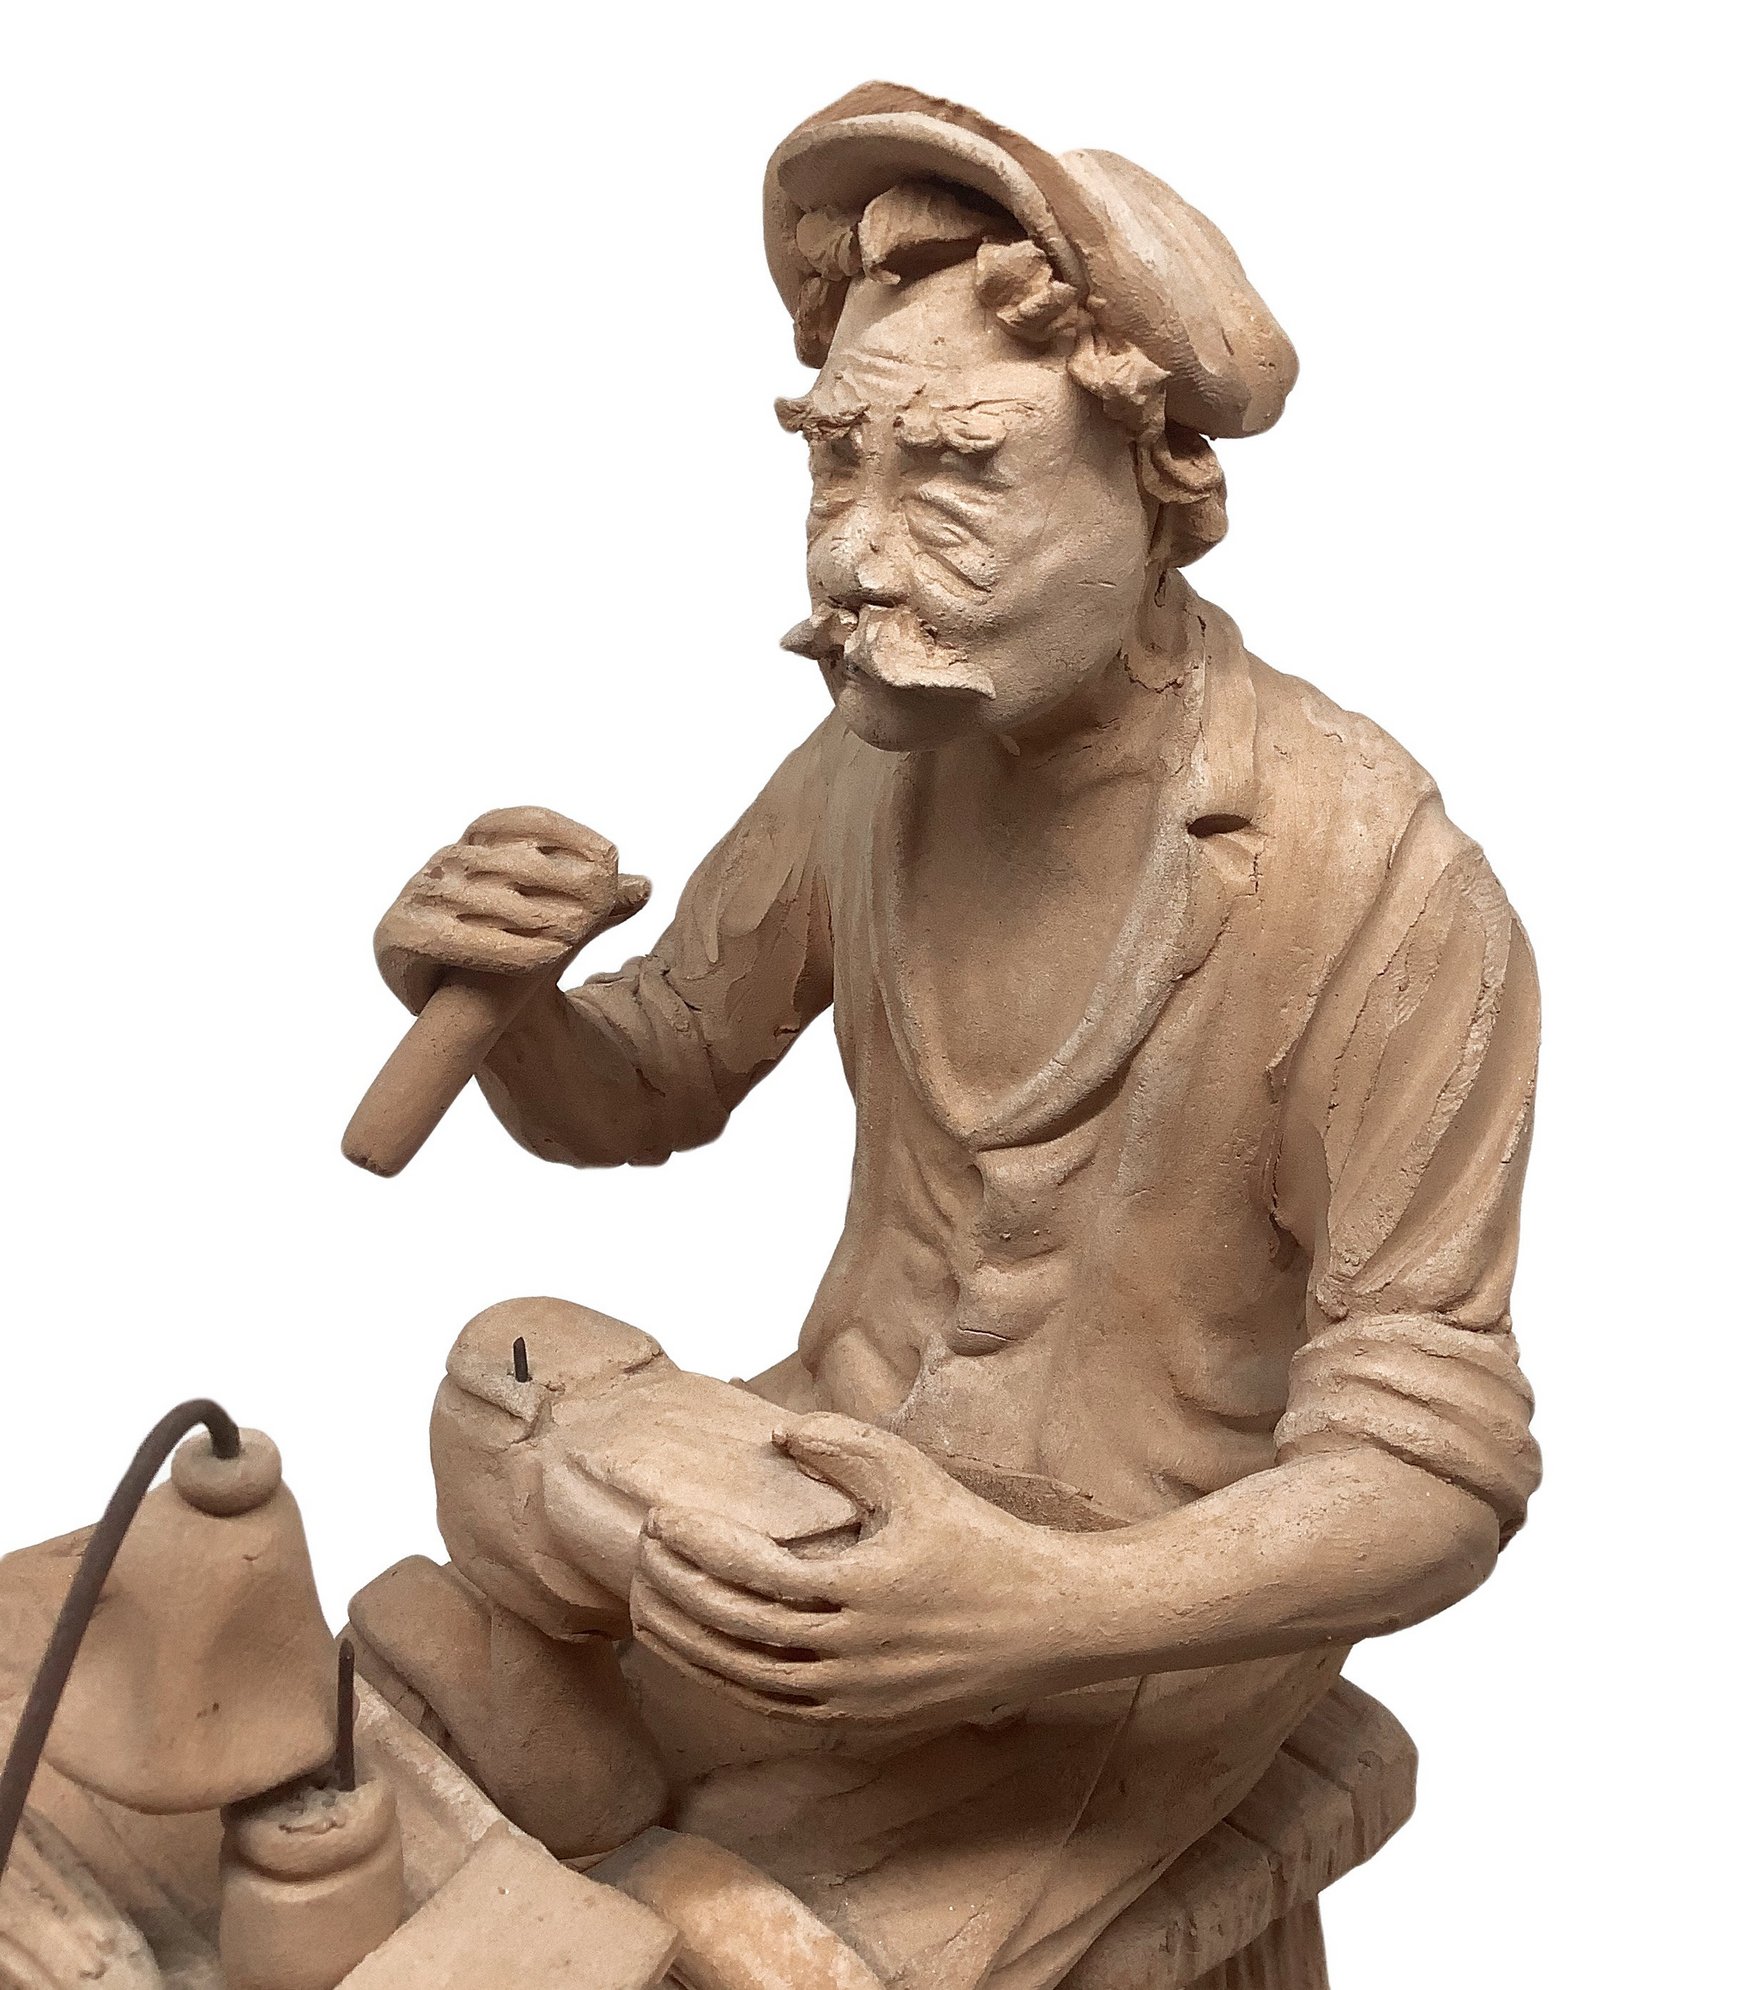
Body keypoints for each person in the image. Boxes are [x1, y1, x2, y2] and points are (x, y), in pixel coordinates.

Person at [372, 84, 1542, 1990]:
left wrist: (1035, 1605)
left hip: (1117, 1619)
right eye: (835, 466)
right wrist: (507, 1011)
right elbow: (650, 1077)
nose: (855, 556)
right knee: (508, 1364)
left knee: (742, 1900)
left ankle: (722, 1848)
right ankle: (671, 1747)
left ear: (1154, 487)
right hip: (818, 1489)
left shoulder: (1374, 875)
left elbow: (1436, 1468)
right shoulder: (872, 765)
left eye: (958, 474)